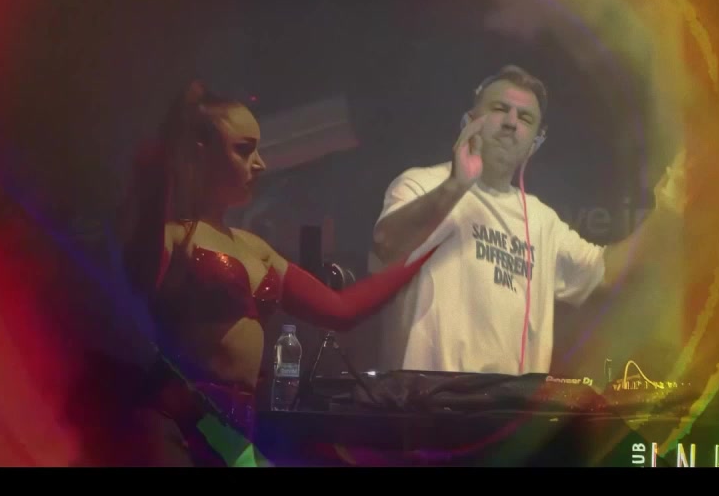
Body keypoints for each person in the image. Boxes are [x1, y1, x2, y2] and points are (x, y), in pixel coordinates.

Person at [86, 80, 435, 467]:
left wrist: (421, 256)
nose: (260, 164)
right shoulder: (174, 236)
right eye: (243, 149)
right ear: (200, 152)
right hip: (174, 420)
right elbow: (134, 280)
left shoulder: (257, 249)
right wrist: (164, 159)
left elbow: (341, 310)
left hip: (234, 430)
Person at [370, 65, 687, 375]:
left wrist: (668, 208)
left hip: (510, 403)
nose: (511, 122)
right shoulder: (421, 184)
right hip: (427, 401)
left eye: (525, 118)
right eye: (499, 109)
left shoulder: (541, 221)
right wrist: (456, 185)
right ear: (469, 120)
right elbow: (387, 245)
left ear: (536, 141)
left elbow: (607, 271)